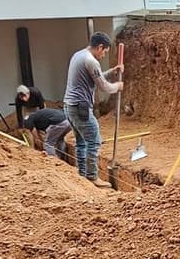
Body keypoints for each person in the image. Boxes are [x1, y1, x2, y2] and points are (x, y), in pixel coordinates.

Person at [63, 32, 123, 184]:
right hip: (80, 107)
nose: (103, 55)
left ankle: (82, 176)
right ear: (100, 47)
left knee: (82, 143)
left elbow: (97, 77)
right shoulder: (91, 61)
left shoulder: (79, 55)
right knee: (94, 141)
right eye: (105, 52)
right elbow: (104, 86)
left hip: (70, 106)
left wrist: (112, 71)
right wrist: (118, 86)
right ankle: (92, 177)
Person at [14, 84, 69, 150]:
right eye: (21, 97)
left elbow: (42, 106)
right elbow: (19, 112)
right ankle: (34, 144)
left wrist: (41, 117)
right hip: (28, 108)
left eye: (25, 96)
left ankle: (43, 143)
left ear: (28, 93)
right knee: (28, 124)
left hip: (38, 106)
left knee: (40, 125)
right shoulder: (18, 99)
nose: (24, 99)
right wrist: (21, 125)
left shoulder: (35, 92)